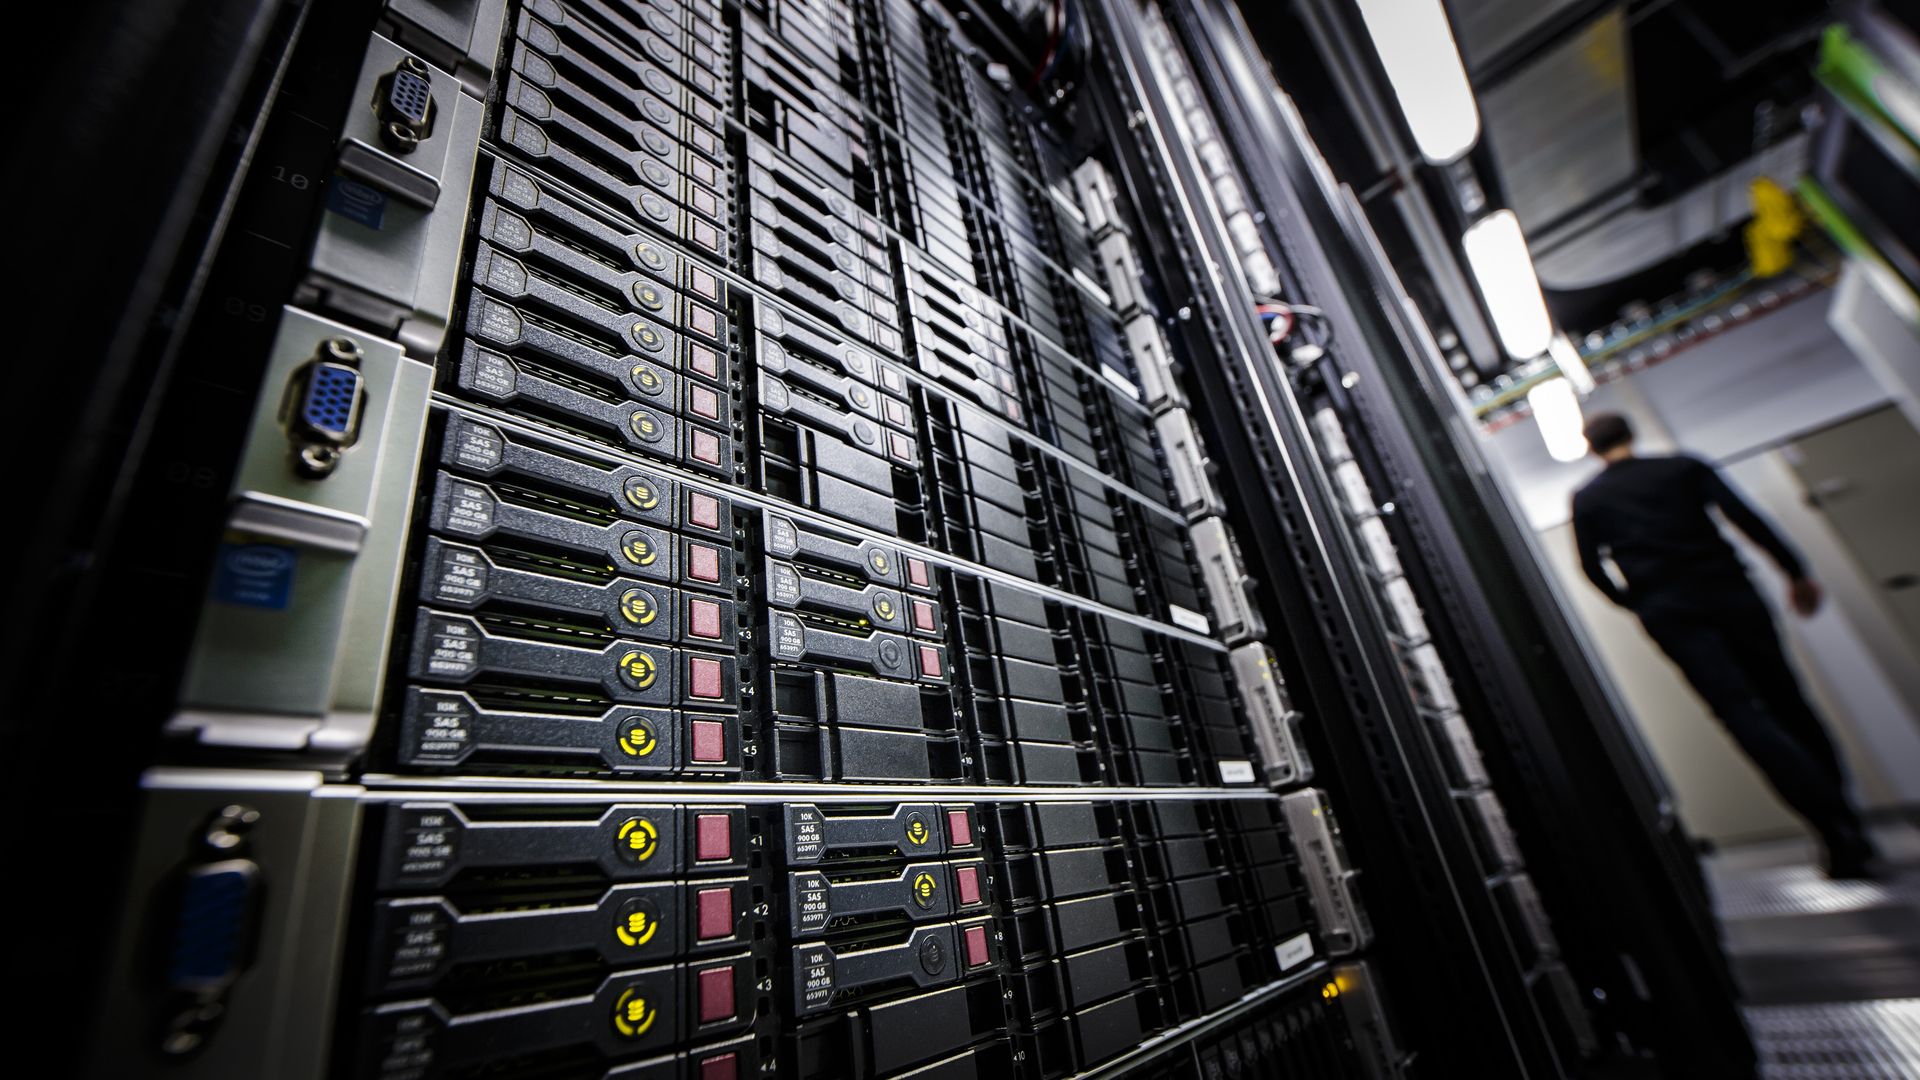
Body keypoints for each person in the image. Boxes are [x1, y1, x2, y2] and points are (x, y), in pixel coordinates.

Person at [1570, 412, 1878, 878]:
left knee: (1741, 714)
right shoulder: (1682, 469)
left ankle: (1831, 826)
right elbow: (1747, 518)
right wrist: (1794, 571)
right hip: (1730, 593)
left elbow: (1592, 569)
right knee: (1789, 702)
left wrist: (1638, 602)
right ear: (1631, 435)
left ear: (1591, 447)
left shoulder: (1590, 498)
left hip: (1671, 611)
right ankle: (1847, 820)